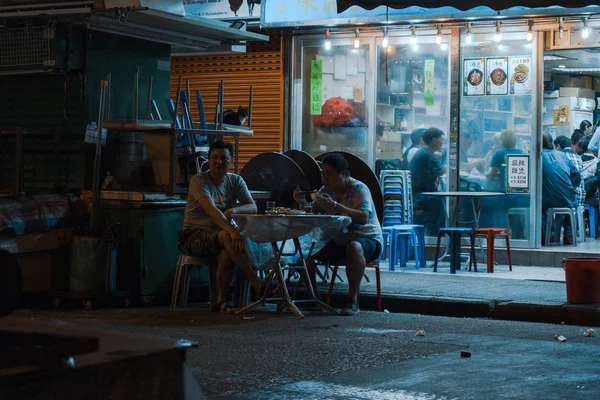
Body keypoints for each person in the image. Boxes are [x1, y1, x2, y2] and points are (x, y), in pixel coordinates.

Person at [178, 140, 269, 313]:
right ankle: (256, 282)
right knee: (229, 238)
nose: (219, 162)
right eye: (214, 157)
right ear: (208, 160)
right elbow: (212, 211)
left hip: (220, 236)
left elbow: (252, 206)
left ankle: (221, 300)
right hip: (193, 236)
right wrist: (233, 231)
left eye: (224, 158)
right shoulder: (199, 180)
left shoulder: (235, 180)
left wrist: (232, 210)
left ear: (231, 161)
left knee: (228, 250)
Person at [293, 153, 383, 316]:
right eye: (322, 174)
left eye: (329, 174)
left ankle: (352, 300)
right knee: (306, 248)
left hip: (368, 240)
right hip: (338, 241)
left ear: (343, 174)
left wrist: (335, 205)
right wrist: (302, 203)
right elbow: (312, 212)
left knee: (354, 247)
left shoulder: (359, 189)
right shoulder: (325, 191)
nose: (324, 178)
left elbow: (363, 217)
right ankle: (313, 298)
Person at [541, 132, 581, 245]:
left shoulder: (537, 157)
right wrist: (571, 188)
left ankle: (547, 234)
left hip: (545, 200)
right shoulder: (562, 155)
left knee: (539, 207)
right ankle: (568, 235)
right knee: (573, 203)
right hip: (566, 198)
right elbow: (576, 175)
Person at [409, 127, 446, 235]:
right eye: (441, 140)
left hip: (419, 192)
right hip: (419, 194)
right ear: (434, 140)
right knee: (442, 201)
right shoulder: (427, 154)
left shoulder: (426, 152)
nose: (442, 143)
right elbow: (443, 170)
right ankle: (437, 234)